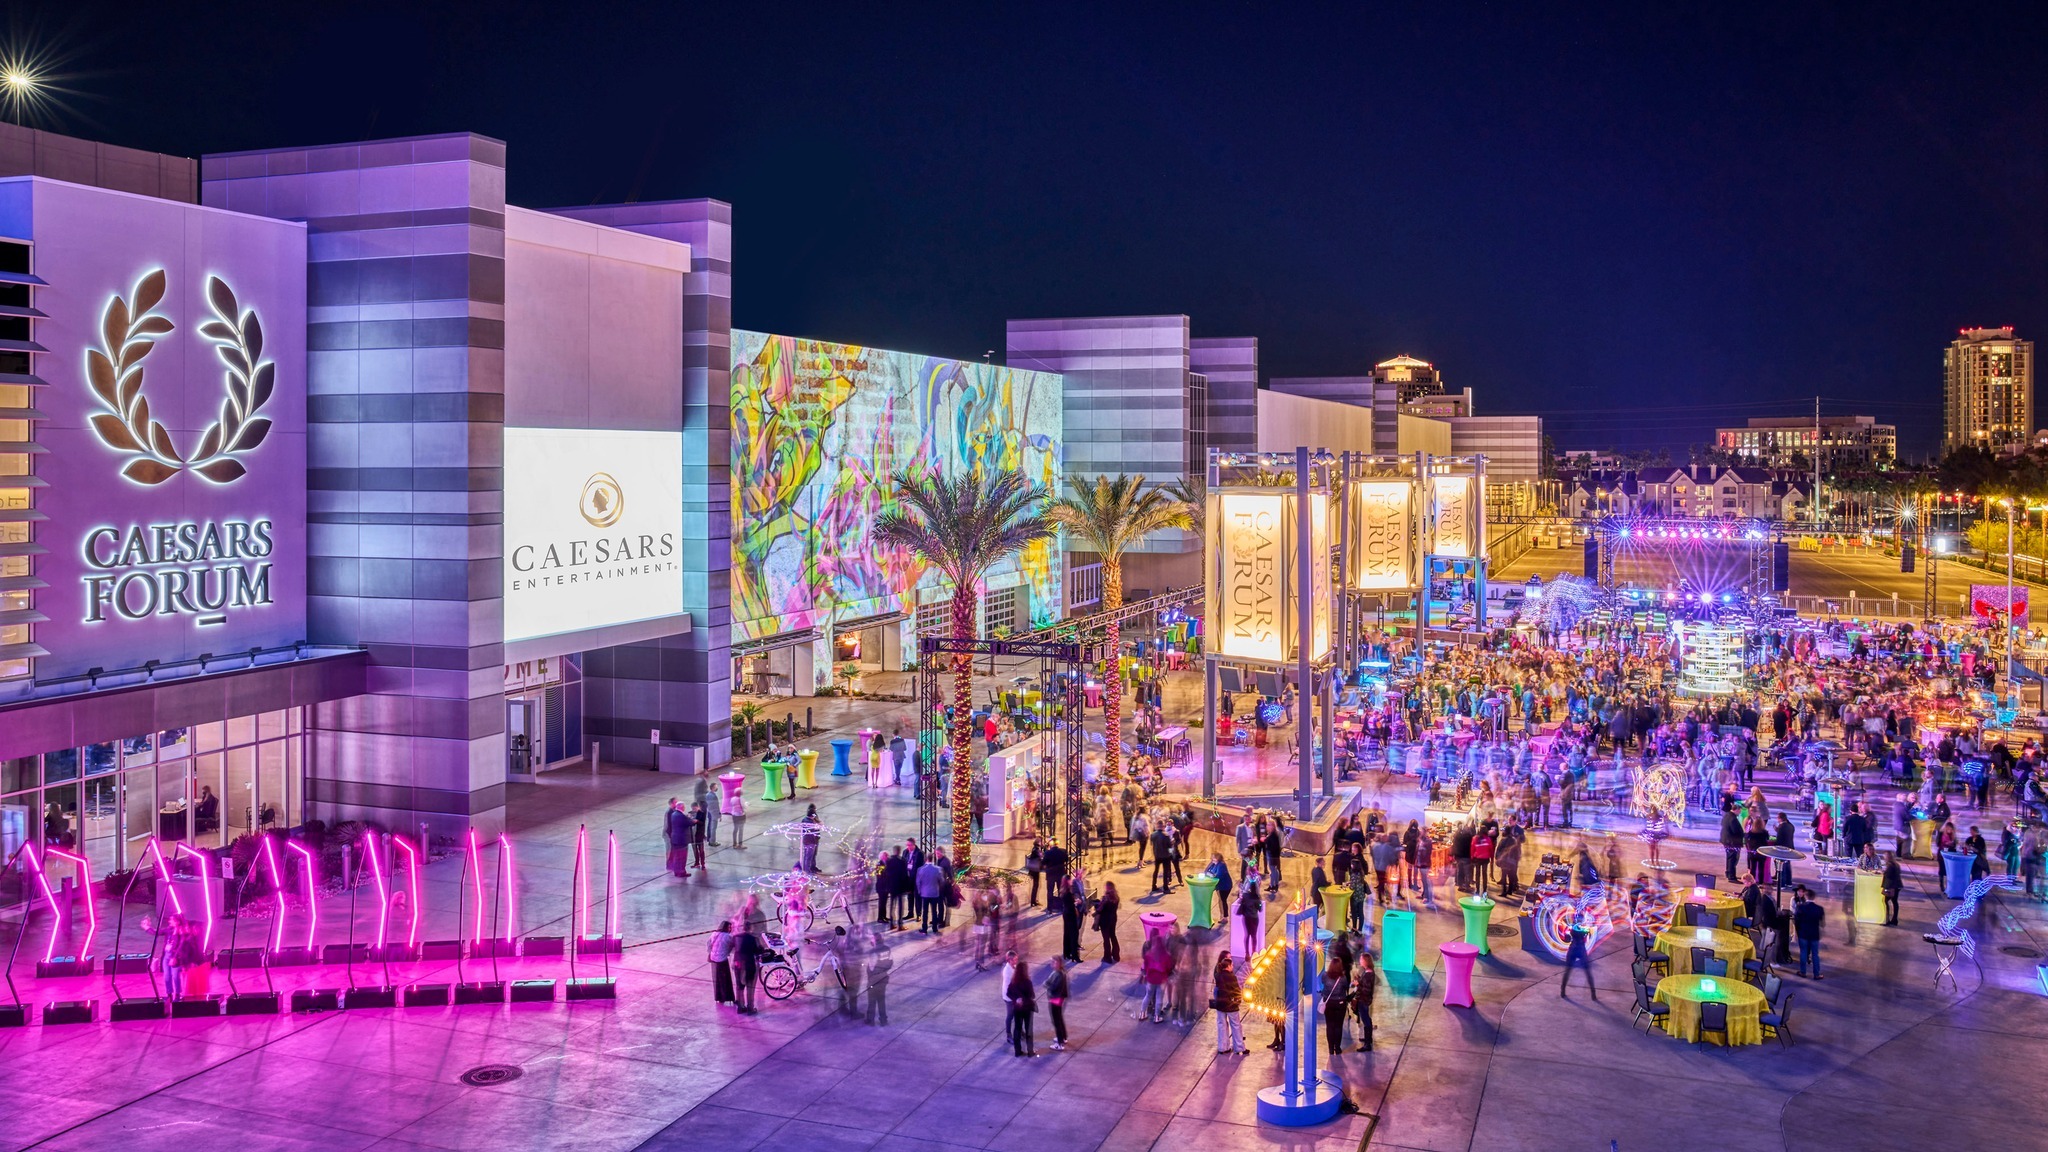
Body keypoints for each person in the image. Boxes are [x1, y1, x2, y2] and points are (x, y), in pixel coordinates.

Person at [1003, 953, 1037, 1057]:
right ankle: (1030, 1051)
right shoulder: (1027, 982)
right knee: (1028, 1030)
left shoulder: (1014, 981)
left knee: (1017, 1028)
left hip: (1017, 1009)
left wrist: (1016, 1000)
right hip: (1026, 1009)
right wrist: (1023, 999)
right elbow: (1032, 995)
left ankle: (1017, 1051)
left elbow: (1008, 992)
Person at [1212, 952, 1246, 1055]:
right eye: (1231, 965)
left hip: (1220, 1005)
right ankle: (1239, 1047)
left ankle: (1223, 1047)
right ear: (1228, 966)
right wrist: (1238, 1001)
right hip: (1231, 1006)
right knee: (1236, 1026)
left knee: (1222, 1025)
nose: (1233, 966)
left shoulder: (1218, 976)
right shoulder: (1232, 977)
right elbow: (1236, 991)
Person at [1558, 912, 1596, 999]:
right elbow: (1584, 932)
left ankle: (1563, 990)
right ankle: (1593, 993)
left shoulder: (1573, 928)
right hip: (1579, 950)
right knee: (1585, 971)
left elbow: (1568, 935)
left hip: (1574, 949)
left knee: (1570, 971)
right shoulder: (1579, 929)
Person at [1140, 932, 1173, 1022]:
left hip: (1151, 979)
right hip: (1161, 980)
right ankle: (1157, 1017)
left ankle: (1142, 1014)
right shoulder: (1166, 955)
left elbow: (1145, 967)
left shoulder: (1149, 955)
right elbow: (1169, 967)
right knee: (1159, 998)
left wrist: (1146, 975)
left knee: (1148, 996)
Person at [1793, 887, 1825, 979]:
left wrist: (1799, 931)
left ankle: (1803, 972)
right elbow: (1822, 923)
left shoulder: (1800, 907)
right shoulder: (1819, 909)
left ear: (1806, 896)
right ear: (1814, 897)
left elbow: (1796, 921)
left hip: (1803, 934)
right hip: (1814, 934)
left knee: (1803, 952)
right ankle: (1817, 974)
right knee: (1815, 954)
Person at [1350, 949, 1377, 1051]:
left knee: (1366, 1020)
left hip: (1363, 1000)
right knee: (1367, 1019)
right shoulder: (1368, 972)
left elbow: (1366, 990)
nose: (1360, 961)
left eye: (1361, 959)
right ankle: (1367, 1039)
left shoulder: (1368, 975)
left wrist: (1358, 984)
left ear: (1365, 961)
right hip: (1365, 1000)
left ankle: (1367, 1044)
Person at [732, 921, 763, 1014]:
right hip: (748, 964)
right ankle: (750, 1008)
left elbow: (732, 947)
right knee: (750, 986)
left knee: (739, 986)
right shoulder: (752, 938)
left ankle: (740, 1007)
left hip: (737, 962)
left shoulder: (736, 937)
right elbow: (757, 951)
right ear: (751, 928)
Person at [865, 932, 893, 1025]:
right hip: (884, 977)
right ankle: (883, 1020)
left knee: (872, 1000)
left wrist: (870, 976)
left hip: (874, 979)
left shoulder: (873, 952)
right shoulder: (887, 949)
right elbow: (890, 962)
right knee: (881, 999)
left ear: (875, 940)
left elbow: (871, 967)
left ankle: (870, 1020)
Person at [708, 920, 737, 1008]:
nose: (730, 929)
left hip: (714, 960)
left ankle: (718, 997)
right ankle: (728, 997)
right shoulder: (727, 936)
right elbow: (733, 945)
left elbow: (708, 944)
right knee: (726, 980)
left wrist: (711, 953)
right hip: (722, 960)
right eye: (729, 927)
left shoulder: (714, 934)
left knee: (717, 979)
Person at [1045, 956, 1070, 1051]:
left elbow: (1051, 986)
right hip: (1059, 999)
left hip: (1055, 999)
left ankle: (1059, 1043)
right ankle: (1063, 1037)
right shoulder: (1060, 973)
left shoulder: (1058, 975)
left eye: (1053, 962)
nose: (1051, 963)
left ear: (1058, 963)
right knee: (1059, 1018)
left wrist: (1047, 986)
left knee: (1056, 1021)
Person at [665, 798, 692, 878]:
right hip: (681, 840)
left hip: (675, 839)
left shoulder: (674, 814)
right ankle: (681, 872)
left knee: (677, 856)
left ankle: (676, 871)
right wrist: (691, 819)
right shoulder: (681, 816)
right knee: (682, 857)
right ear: (682, 807)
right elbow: (688, 823)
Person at [1096, 881, 1123, 963]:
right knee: (1113, 936)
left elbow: (1100, 909)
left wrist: (1097, 905)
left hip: (1105, 921)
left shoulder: (1106, 898)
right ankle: (1116, 955)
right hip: (1113, 919)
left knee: (1106, 939)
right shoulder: (1116, 897)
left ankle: (1107, 957)